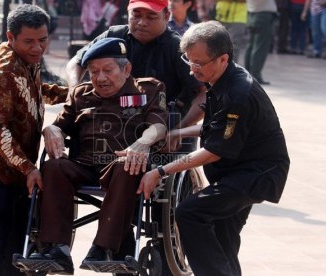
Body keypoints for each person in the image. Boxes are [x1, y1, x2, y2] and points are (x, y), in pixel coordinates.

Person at [139, 21, 290, 276]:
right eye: (189, 61)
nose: (192, 70)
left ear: (223, 59)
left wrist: (161, 171)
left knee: (189, 212)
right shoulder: (222, 79)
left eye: (199, 64)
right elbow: (213, 127)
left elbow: (214, 150)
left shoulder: (237, 93)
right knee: (223, 237)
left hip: (256, 174)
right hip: (236, 171)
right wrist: (177, 132)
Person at [30, 37, 168, 274]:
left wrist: (142, 142)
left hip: (123, 167)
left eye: (107, 70)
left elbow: (160, 125)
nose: (100, 78)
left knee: (127, 164)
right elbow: (59, 124)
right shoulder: (81, 94)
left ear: (126, 69)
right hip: (84, 166)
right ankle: (56, 250)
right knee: (53, 167)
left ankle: (103, 248)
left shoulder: (148, 90)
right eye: (93, 71)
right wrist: (50, 129)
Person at [0, 5, 68, 276]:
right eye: (29, 41)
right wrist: (28, 168)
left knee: (16, 251)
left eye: (42, 40)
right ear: (10, 37)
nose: (37, 48)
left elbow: (35, 90)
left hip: (11, 172)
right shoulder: (2, 73)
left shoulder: (26, 59)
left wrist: (75, 95)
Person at [64, 0, 206, 151]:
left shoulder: (178, 48)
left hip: (165, 126)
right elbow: (76, 63)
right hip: (118, 122)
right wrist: (74, 91)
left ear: (166, 16)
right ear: (128, 13)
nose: (142, 23)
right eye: (136, 15)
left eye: (151, 17)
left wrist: (179, 130)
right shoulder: (114, 35)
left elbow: (203, 94)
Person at [244, 0, 277, 85]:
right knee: (260, 47)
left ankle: (247, 73)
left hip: (252, 14)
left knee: (251, 46)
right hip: (263, 15)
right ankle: (255, 75)